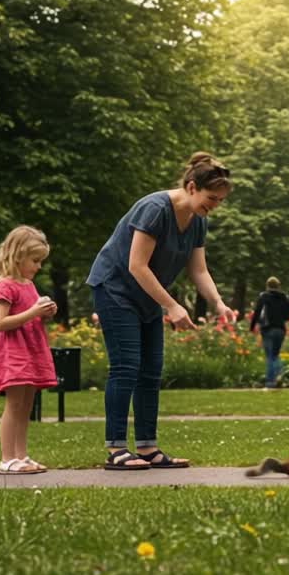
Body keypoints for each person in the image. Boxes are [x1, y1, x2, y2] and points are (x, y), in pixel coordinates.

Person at [86, 152, 236, 471]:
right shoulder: (155, 209)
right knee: (126, 366)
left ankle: (147, 447)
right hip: (115, 289)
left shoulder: (197, 221)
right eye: (212, 198)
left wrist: (219, 303)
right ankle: (115, 448)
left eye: (221, 200)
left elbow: (199, 271)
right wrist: (171, 305)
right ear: (192, 186)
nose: (215, 205)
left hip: (147, 295)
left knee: (151, 371)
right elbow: (136, 265)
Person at [0, 226, 58, 475]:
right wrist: (33, 312)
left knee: (26, 406)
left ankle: (21, 456)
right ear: (18, 256)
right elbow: (0, 323)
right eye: (35, 260)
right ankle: (7, 458)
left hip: (31, 351)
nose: (38, 266)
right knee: (14, 405)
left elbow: (30, 318)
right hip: (14, 354)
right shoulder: (5, 286)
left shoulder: (28, 285)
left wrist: (44, 314)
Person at [249, 276, 289, 387]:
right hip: (280, 329)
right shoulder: (284, 297)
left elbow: (257, 312)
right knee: (275, 354)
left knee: (269, 355)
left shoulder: (264, 297)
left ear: (267, 285)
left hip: (267, 328)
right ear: (278, 286)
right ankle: (280, 376)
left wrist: (252, 326)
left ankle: (270, 382)